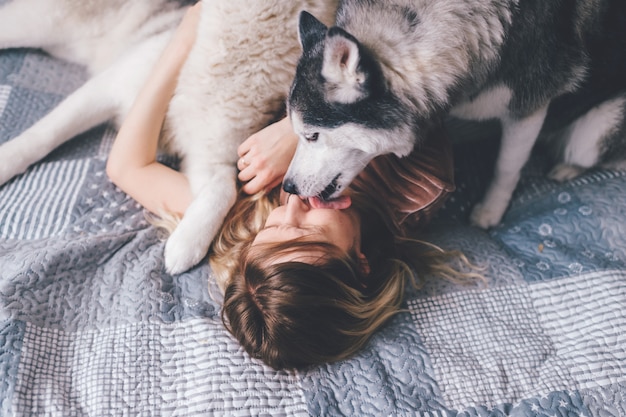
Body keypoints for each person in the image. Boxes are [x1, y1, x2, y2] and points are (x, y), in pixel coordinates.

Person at [106, 2, 481, 371]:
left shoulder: (245, 217)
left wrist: (187, 34)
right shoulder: (418, 183)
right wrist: (296, 133)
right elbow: (407, 86)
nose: (295, 205)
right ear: (361, 264)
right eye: (308, 234)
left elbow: (127, 166)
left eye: (275, 229)